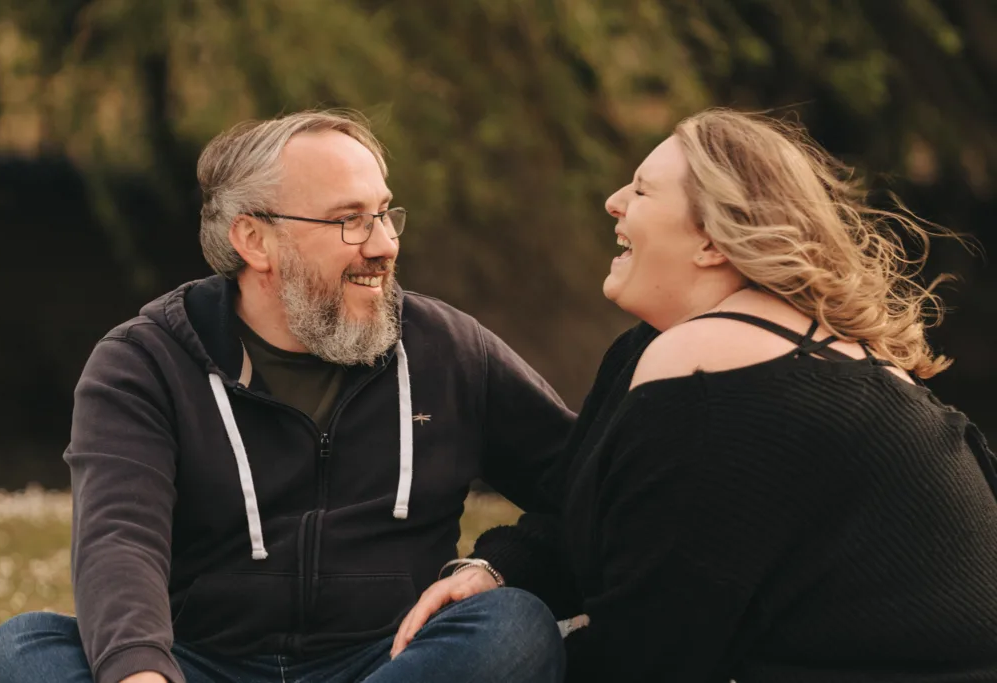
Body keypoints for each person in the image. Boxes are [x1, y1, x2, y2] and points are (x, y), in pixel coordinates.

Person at [392, 108, 997, 682]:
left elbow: (651, 654)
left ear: (712, 241)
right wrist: (495, 570)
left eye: (642, 190)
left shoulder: (708, 363)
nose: (614, 201)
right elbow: (580, 512)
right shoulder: (697, 345)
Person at [0, 110, 573, 683]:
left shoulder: (449, 349)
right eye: (351, 219)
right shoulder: (143, 364)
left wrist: (501, 566)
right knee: (24, 650)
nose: (384, 243)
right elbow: (119, 541)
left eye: (386, 214)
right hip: (200, 663)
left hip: (393, 660)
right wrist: (139, 672)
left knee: (512, 625)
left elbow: (594, 489)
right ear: (255, 240)